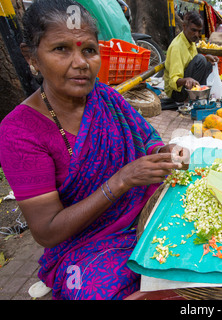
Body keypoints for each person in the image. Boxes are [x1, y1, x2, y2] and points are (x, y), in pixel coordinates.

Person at [0, 0, 190, 300]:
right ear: (31, 56)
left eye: (89, 49)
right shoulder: (20, 132)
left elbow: (149, 140)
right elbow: (48, 231)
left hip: (146, 214)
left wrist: (169, 152)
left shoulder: (104, 97)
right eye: (61, 49)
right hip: (86, 243)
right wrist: (121, 181)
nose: (81, 63)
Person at [164, 12, 219, 103]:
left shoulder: (190, 41)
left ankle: (200, 94)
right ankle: (192, 97)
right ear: (184, 26)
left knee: (207, 62)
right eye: (193, 30)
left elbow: (192, 62)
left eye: (199, 31)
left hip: (186, 87)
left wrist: (206, 59)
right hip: (176, 93)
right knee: (200, 59)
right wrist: (187, 80)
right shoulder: (177, 47)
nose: (197, 34)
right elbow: (173, 81)